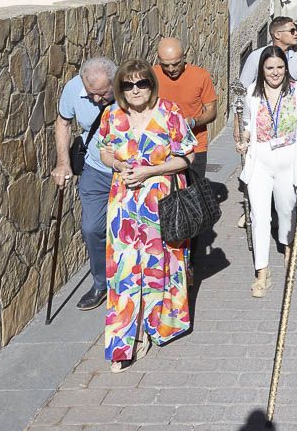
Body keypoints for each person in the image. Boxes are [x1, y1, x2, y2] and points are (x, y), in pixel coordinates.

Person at [96, 59, 195, 371]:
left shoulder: (169, 112)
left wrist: (151, 170)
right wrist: (118, 165)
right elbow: (105, 150)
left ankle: (153, 329)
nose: (135, 90)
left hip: (160, 201)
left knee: (157, 266)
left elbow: (186, 157)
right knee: (123, 271)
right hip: (124, 204)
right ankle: (125, 342)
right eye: (128, 85)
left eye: (142, 83)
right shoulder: (111, 114)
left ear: (152, 85)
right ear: (120, 88)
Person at [234, 46, 297, 297]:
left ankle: (288, 248)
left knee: (286, 208)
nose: (275, 72)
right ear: (262, 69)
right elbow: (246, 123)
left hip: (288, 159)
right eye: (270, 68)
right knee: (259, 215)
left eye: (280, 67)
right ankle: (262, 271)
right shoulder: (251, 94)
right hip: (260, 159)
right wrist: (243, 139)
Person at [53, 57, 118, 311]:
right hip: (95, 169)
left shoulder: (128, 88)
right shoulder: (72, 89)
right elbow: (63, 122)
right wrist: (63, 163)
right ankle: (101, 283)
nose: (98, 100)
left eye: (103, 94)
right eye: (92, 94)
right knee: (92, 228)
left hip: (129, 172)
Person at [153, 37, 217, 179]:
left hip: (195, 146)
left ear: (184, 57)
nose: (171, 69)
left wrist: (192, 122)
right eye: (165, 65)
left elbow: (211, 111)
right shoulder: (152, 76)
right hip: (162, 147)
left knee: (194, 195)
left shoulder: (200, 76)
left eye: (176, 64)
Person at [241, 16, 297, 88]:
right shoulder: (256, 57)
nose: (296, 33)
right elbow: (242, 89)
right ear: (277, 35)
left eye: (295, 30)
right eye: (292, 31)